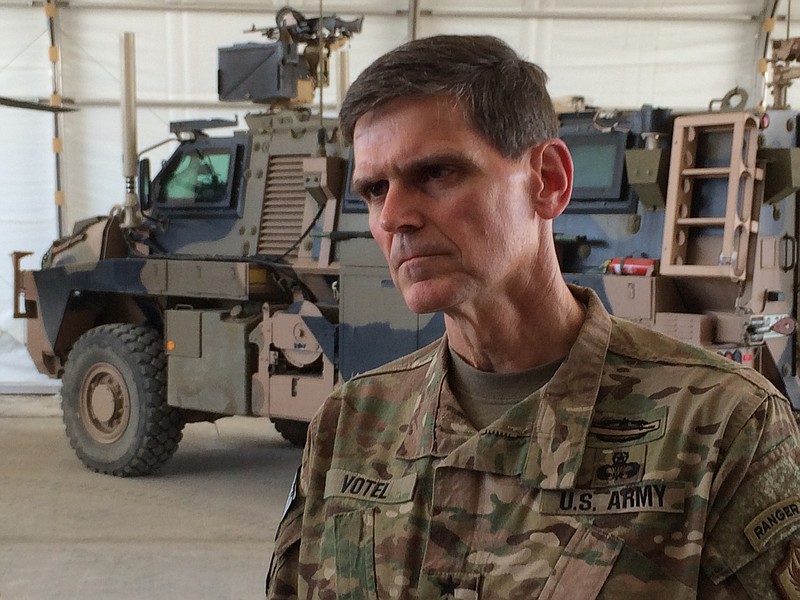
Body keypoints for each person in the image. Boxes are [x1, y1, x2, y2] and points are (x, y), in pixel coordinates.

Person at [266, 35, 800, 599]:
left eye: (436, 173)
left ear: (547, 180)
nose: (394, 216)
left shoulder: (722, 427)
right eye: (375, 190)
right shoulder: (349, 425)